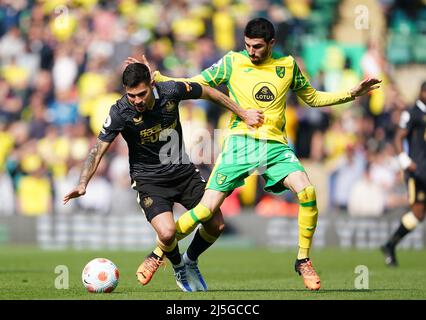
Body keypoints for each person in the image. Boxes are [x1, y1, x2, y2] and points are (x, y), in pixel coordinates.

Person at [133, 17, 381, 291]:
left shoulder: (287, 66)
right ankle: (157, 254)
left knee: (307, 191)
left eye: (258, 47)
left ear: (271, 43)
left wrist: (351, 93)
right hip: (240, 144)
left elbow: (311, 98)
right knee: (206, 210)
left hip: (274, 146)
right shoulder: (232, 62)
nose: (251, 51)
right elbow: (197, 83)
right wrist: (161, 78)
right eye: (248, 45)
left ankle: (302, 260)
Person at [63, 63, 263, 292]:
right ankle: (178, 267)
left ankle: (190, 260)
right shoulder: (119, 111)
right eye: (131, 95)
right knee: (167, 233)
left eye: (141, 94)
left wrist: (242, 113)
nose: (137, 100)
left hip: (183, 172)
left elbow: (208, 91)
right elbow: (98, 149)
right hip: (149, 181)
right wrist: (82, 183)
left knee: (216, 225)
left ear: (151, 84)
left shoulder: (170, 91)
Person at [381, 81, 426, 267]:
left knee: (418, 215)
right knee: (417, 213)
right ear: (423, 92)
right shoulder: (413, 112)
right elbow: (399, 136)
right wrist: (404, 160)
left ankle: (389, 245)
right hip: (418, 172)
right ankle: (390, 245)